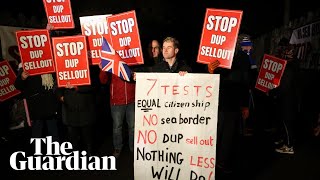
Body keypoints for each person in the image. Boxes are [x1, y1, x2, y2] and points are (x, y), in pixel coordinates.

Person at [207, 35, 252, 178]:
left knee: (229, 134)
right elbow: (209, 79)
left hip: (233, 102)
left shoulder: (243, 58)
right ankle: (208, 162)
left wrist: (245, 105)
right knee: (214, 132)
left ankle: (222, 162)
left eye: (238, 40)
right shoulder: (216, 56)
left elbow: (246, 82)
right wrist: (210, 71)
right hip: (216, 101)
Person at [56, 65, 99, 156]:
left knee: (87, 136)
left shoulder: (88, 67)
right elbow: (57, 87)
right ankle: (76, 157)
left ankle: (90, 156)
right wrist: (61, 97)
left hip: (85, 108)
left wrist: (77, 87)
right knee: (73, 137)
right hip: (70, 109)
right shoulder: (62, 68)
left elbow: (94, 85)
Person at [14, 63, 60, 142]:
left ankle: (56, 150)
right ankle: (37, 152)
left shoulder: (49, 61)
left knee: (53, 130)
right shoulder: (25, 64)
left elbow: (57, 78)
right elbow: (17, 85)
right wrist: (22, 77)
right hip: (35, 105)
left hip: (49, 103)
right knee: (37, 131)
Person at [271, 37, 299, 155]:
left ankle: (289, 146)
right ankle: (286, 141)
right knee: (286, 122)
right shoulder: (293, 66)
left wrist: (275, 92)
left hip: (288, 100)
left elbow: (284, 87)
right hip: (290, 99)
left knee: (287, 122)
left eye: (285, 52)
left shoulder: (289, 68)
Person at [99, 69, 136, 158]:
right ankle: (117, 147)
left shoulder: (133, 61)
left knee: (133, 126)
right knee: (117, 127)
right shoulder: (112, 64)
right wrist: (102, 70)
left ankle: (133, 147)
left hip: (132, 100)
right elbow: (102, 80)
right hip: (117, 101)